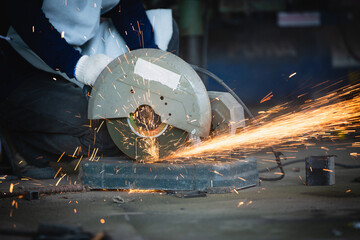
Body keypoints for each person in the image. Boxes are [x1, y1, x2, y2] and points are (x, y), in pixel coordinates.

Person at [0, 0, 178, 178]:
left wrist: (150, 59)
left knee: (165, 28)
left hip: (83, 44)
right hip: (24, 61)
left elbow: (125, 5)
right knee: (111, 135)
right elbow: (23, 15)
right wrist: (78, 65)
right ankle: (24, 144)